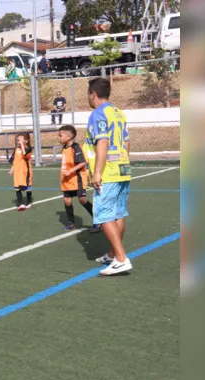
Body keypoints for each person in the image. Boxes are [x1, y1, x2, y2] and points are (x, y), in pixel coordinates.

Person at [83, 77, 133, 276]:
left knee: (103, 214)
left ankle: (121, 258)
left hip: (108, 172)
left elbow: (101, 142)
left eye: (88, 94)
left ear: (93, 94)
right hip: (122, 168)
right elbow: (127, 142)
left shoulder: (98, 114)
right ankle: (113, 254)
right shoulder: (118, 113)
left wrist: (97, 172)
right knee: (118, 213)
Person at [58, 125, 101, 232]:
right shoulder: (64, 148)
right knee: (67, 201)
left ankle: (97, 221)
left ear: (68, 137)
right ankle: (71, 222)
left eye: (60, 135)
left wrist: (71, 171)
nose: (58, 137)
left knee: (82, 200)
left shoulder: (76, 147)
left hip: (77, 180)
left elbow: (82, 162)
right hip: (67, 180)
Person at [8, 133, 33, 211]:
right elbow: (14, 161)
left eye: (20, 140)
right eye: (17, 140)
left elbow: (24, 154)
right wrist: (12, 169)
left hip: (26, 173)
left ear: (26, 141)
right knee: (17, 187)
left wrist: (22, 145)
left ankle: (28, 202)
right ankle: (20, 203)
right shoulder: (16, 149)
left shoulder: (28, 149)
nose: (18, 142)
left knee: (28, 187)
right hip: (17, 172)